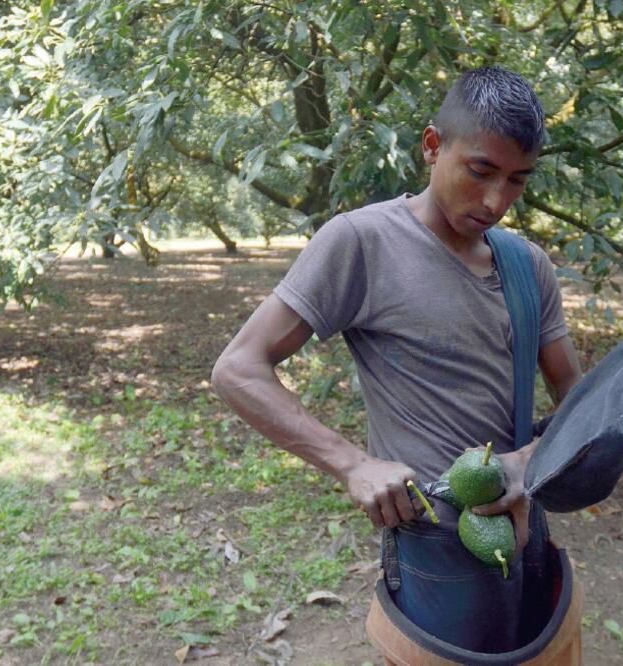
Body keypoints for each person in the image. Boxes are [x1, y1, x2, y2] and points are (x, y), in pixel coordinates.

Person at [211, 66, 583, 656]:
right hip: (433, 547)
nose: (496, 201)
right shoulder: (361, 242)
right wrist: (352, 464)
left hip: (522, 533)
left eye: (518, 181)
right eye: (481, 171)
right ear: (433, 146)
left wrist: (526, 466)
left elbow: (579, 404)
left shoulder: (526, 265)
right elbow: (238, 369)